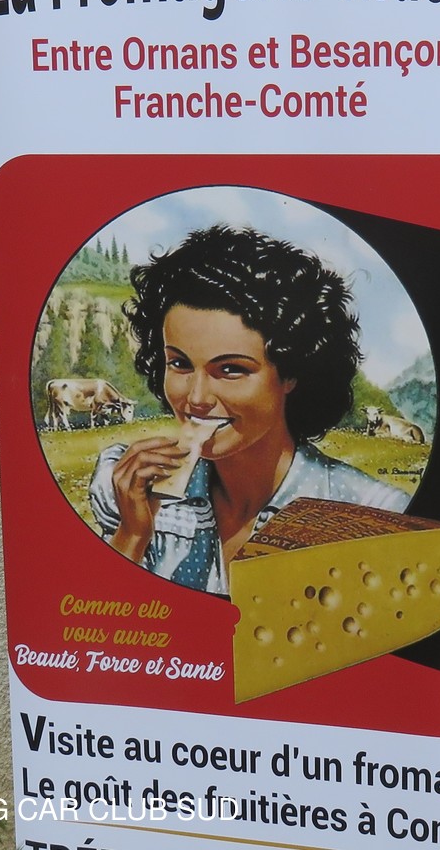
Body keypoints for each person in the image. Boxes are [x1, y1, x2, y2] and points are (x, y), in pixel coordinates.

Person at [89, 225, 410, 595]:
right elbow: (105, 617)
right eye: (179, 363)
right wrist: (132, 536)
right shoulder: (130, 487)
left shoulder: (370, 512)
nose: (197, 398)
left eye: (230, 369)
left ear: (291, 373)